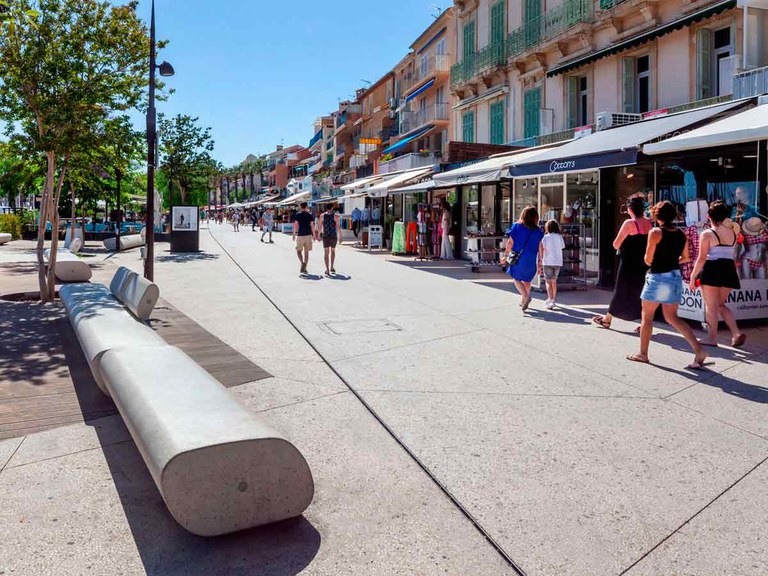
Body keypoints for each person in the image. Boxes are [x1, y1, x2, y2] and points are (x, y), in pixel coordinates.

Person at [628, 201, 708, 369]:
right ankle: (698, 350)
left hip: (658, 277)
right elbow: (686, 257)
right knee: (672, 317)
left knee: (647, 316)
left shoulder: (655, 232)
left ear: (658, 216)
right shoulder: (681, 233)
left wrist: (658, 260)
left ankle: (643, 354)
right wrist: (672, 260)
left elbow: (647, 259)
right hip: (674, 276)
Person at [688, 201, 746, 348]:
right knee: (720, 304)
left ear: (709, 216)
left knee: (711, 306)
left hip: (712, 268)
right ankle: (736, 333)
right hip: (728, 268)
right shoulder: (733, 233)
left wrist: (693, 276)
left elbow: (701, 258)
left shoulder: (707, 234)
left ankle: (712, 338)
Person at [593, 193, 652, 330]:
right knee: (640, 290)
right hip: (642, 262)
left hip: (628, 263)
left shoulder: (629, 223)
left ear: (630, 209)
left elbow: (616, 244)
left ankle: (607, 319)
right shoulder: (648, 222)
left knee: (620, 290)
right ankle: (643, 323)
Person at [504, 206, 545, 311]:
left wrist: (506, 254)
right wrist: (541, 260)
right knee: (527, 280)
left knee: (516, 278)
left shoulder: (516, 226)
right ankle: (523, 301)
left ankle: (526, 297)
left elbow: (510, 242)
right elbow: (541, 247)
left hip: (518, 258)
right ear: (536, 217)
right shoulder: (538, 231)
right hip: (531, 259)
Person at [539, 219, 565, 310]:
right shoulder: (559, 237)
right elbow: (562, 247)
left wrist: (541, 259)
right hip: (558, 261)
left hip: (547, 261)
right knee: (554, 281)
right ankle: (553, 299)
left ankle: (550, 299)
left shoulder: (545, 237)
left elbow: (542, 249)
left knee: (548, 281)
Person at [292, 202, 316, 276]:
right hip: (308, 235)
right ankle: (305, 267)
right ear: (306, 207)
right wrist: (314, 235)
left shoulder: (298, 215)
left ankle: (302, 263)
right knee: (306, 253)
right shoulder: (310, 215)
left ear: (300, 207)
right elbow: (312, 225)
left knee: (298, 251)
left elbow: (296, 225)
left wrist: (294, 234)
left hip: (300, 235)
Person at [320, 204, 342, 276]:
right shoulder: (336, 216)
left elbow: (320, 226)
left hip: (325, 236)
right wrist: (340, 236)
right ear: (332, 208)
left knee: (326, 253)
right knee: (333, 251)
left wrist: (318, 235)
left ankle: (327, 269)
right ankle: (332, 266)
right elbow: (338, 227)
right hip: (333, 236)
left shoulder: (322, 216)